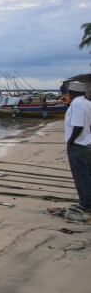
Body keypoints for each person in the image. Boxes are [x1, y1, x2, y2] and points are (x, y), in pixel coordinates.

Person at [63, 81, 91, 223]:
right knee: (86, 174)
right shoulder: (87, 103)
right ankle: (87, 201)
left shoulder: (77, 104)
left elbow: (78, 125)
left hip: (78, 145)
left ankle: (85, 204)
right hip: (87, 144)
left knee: (80, 176)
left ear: (72, 92)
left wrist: (70, 140)